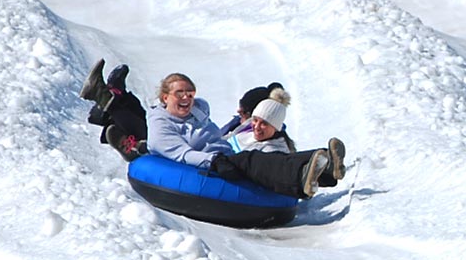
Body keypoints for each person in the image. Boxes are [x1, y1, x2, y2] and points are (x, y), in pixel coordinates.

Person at [144, 72, 345, 199]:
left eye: (190, 92)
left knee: (263, 160)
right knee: (252, 160)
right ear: (165, 97)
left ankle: (326, 166)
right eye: (180, 93)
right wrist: (213, 161)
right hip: (206, 165)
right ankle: (301, 179)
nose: (187, 97)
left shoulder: (197, 111)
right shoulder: (161, 125)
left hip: (224, 155)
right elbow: (182, 154)